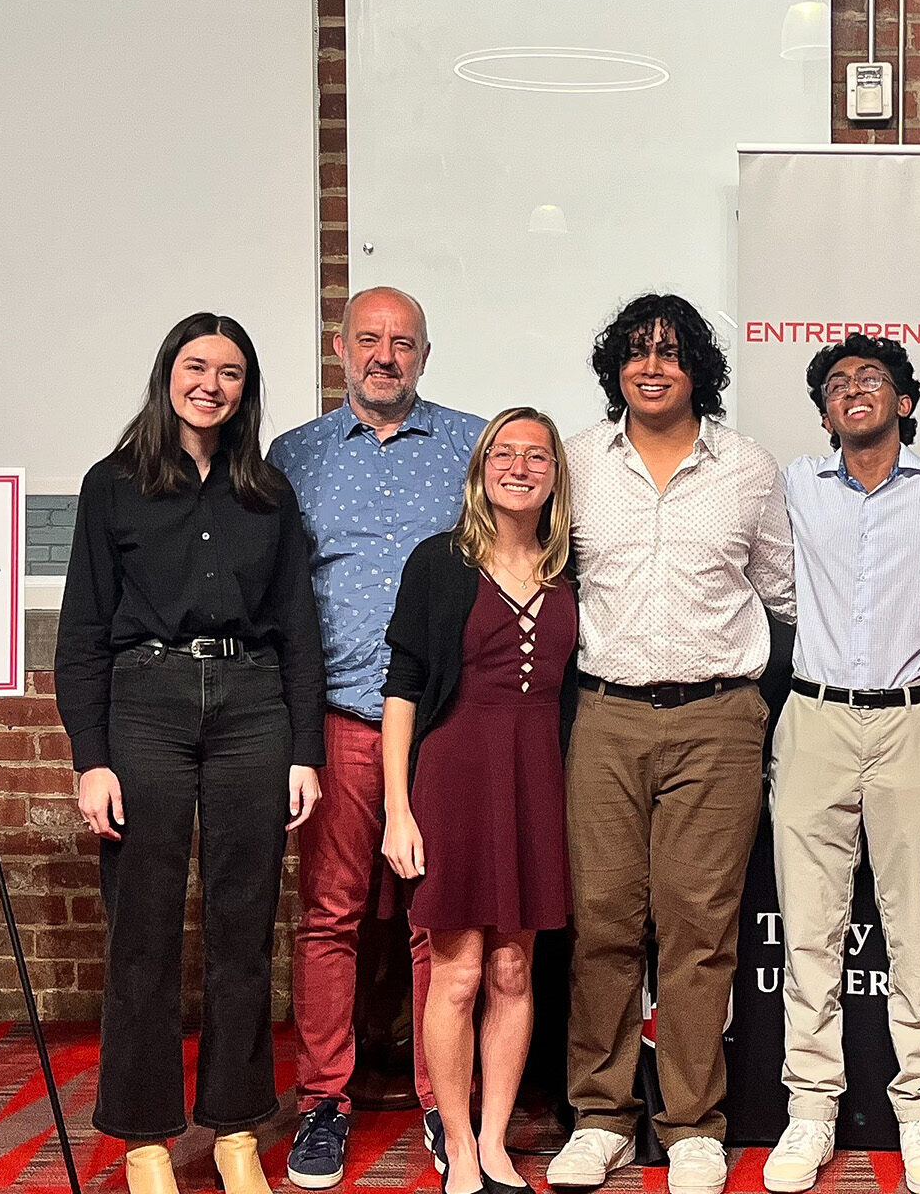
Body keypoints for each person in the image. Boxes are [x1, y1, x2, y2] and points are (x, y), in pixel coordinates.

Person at [56, 312, 325, 1194]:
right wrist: (90, 756)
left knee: (244, 930)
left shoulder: (269, 494)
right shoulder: (113, 485)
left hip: (253, 709)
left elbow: (298, 629)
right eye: (196, 366)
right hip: (147, 710)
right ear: (167, 372)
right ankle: (143, 1140)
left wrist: (305, 749)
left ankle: (237, 1130)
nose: (211, 384)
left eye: (232, 372)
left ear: (248, 390)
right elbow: (84, 634)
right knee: (142, 930)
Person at [546, 293, 796, 1194]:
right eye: (637, 352)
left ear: (699, 370)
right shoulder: (574, 463)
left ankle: (693, 1123)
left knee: (699, 927)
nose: (653, 367)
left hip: (720, 717)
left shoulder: (751, 470)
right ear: (616, 366)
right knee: (605, 920)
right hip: (605, 715)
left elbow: (784, 591)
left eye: (672, 353)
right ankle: (602, 1116)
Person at [267, 287, 488, 1189]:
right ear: (339, 348)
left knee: (443, 923)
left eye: (402, 342)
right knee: (330, 916)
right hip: (343, 720)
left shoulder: (475, 444)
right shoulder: (295, 457)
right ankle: (325, 1100)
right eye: (369, 340)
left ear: (425, 355)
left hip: (448, 726)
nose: (384, 355)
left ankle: (448, 1105)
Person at [762, 334, 920, 1194]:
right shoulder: (791, 486)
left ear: (905, 401)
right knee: (808, 930)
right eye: (838, 384)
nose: (855, 391)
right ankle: (809, 1112)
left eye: (873, 380)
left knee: (918, 929)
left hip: (913, 724)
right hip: (812, 719)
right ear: (824, 411)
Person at [379, 407, 580, 1194]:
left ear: (557, 474)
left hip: (537, 779)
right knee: (456, 974)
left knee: (513, 971)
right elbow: (400, 690)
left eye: (538, 456)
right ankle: (457, 1145)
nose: (520, 466)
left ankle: (496, 1140)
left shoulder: (573, 569)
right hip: (454, 776)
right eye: (505, 452)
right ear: (480, 468)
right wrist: (398, 808)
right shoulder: (438, 563)